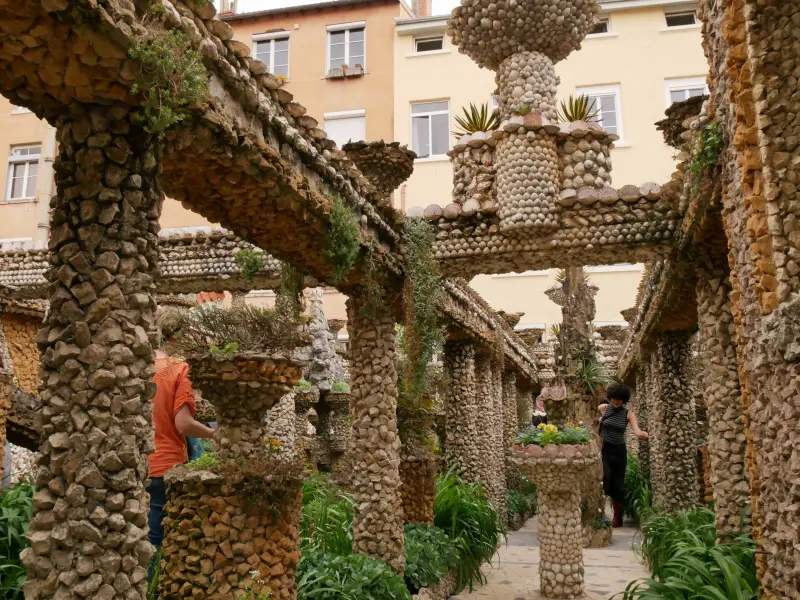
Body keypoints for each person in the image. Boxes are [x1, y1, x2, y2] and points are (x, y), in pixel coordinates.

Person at [148, 312, 215, 554]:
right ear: (177, 339)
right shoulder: (179, 369)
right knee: (156, 545)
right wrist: (216, 434)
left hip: (129, 467)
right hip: (164, 467)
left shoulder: (131, 367)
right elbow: (183, 424)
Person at [598, 384, 648, 528]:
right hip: (605, 449)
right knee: (605, 479)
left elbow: (636, 429)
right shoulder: (605, 409)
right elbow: (599, 418)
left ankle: (617, 516)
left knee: (617, 485)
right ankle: (600, 514)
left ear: (624, 400)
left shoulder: (628, 413)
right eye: (614, 398)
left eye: (619, 399)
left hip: (619, 451)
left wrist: (641, 434)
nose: (616, 402)